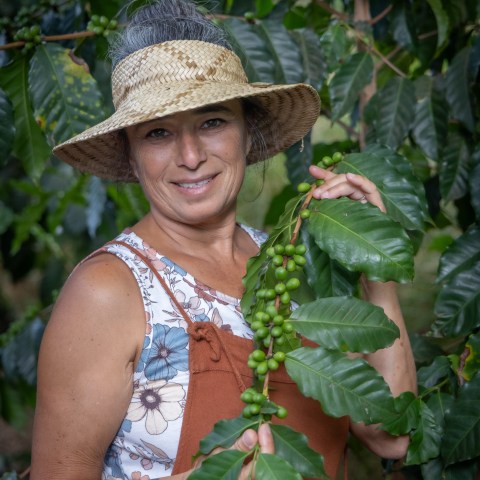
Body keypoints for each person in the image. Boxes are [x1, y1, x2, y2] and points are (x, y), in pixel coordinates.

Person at [30, 1, 417, 479]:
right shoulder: (107, 291)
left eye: (212, 121)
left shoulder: (288, 263)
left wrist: (372, 267)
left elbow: (392, 436)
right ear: (131, 157)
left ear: (247, 132)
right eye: (158, 133)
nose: (190, 156)